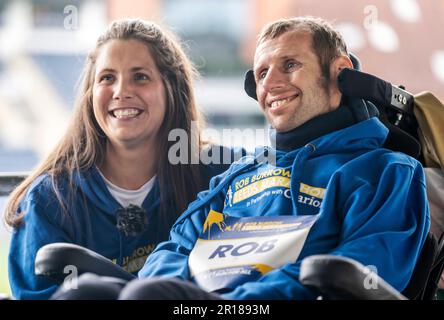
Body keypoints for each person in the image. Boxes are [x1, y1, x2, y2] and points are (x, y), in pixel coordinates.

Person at [53, 16, 430, 300]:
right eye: (262, 72)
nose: (271, 84)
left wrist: (235, 301)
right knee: (84, 291)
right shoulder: (239, 175)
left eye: (290, 65)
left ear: (340, 73)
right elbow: (175, 248)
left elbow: (364, 275)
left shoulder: (387, 172)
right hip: (201, 301)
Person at [4, 19, 240, 300]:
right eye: (107, 78)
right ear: (90, 94)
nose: (121, 91)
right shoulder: (48, 199)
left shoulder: (222, 177)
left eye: (140, 76)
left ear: (171, 88)